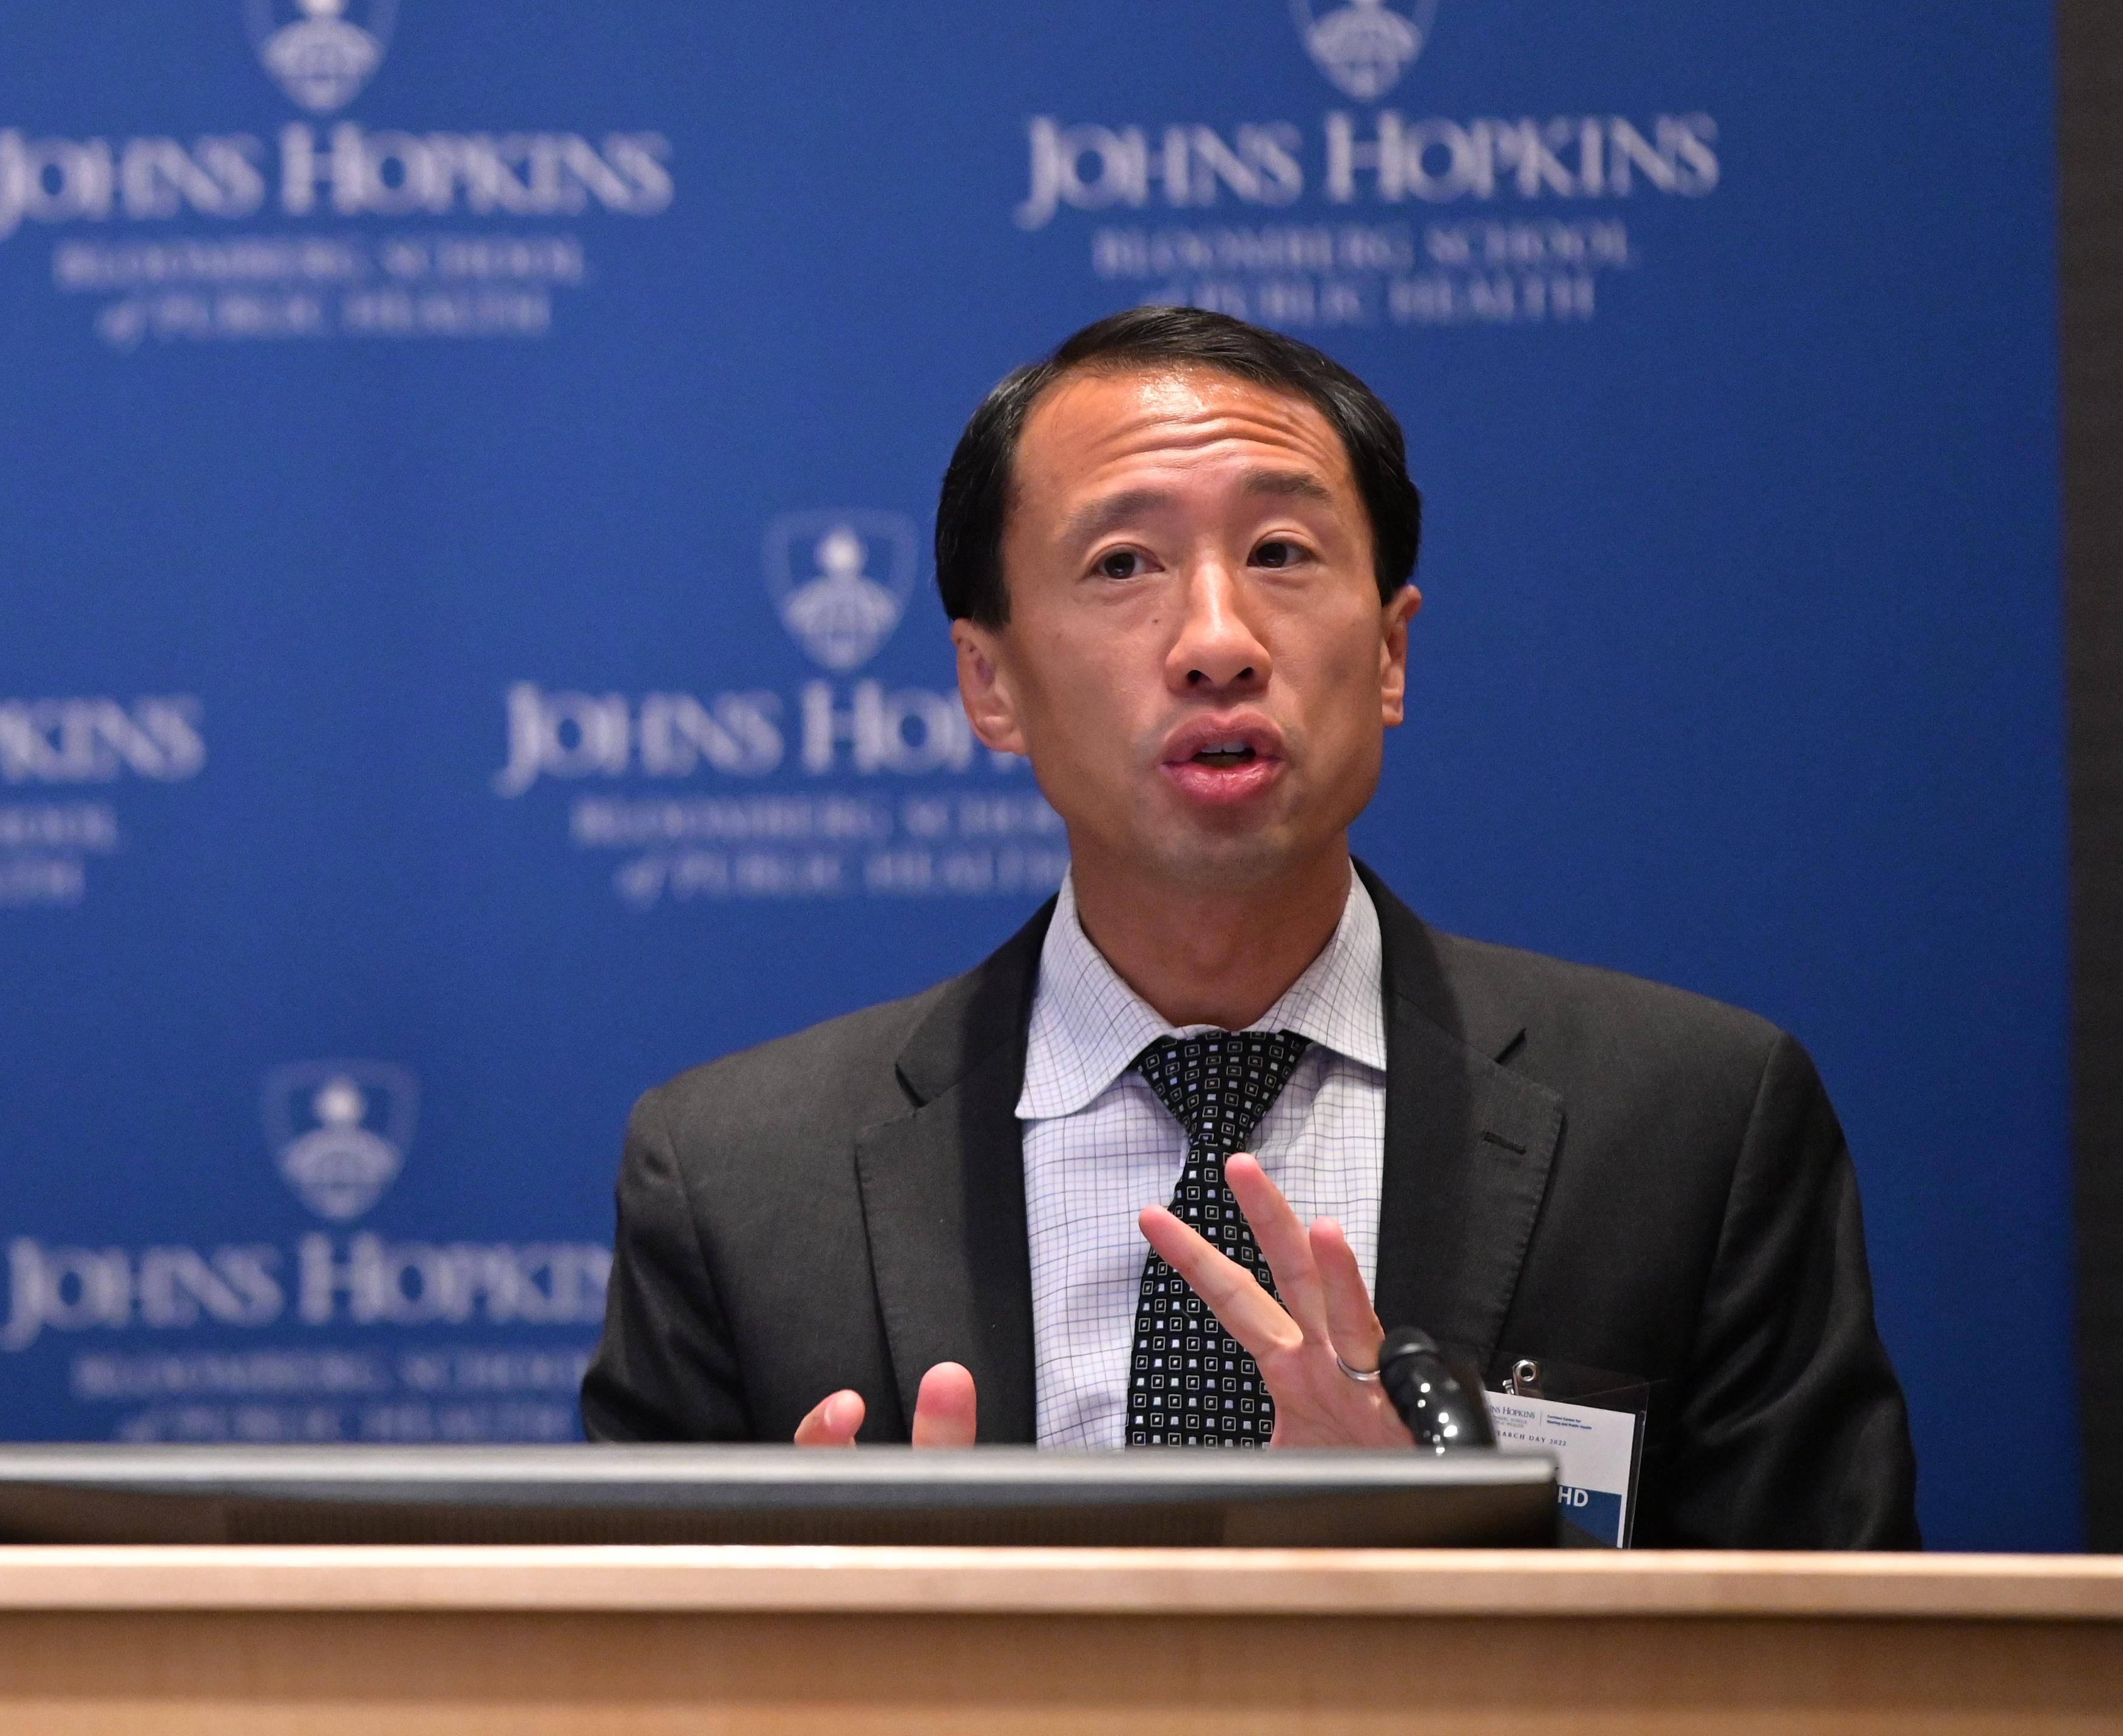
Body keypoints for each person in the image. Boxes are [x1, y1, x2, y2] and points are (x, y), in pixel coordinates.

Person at [580, 306, 1918, 1547]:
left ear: (1391, 651)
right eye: (1123, 562)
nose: (1216, 638)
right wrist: (828, 1662)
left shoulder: (1691, 1127)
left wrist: (1457, 1582)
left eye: (1281, 552)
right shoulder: (739, 1185)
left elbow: (1839, 1670)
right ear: (989, 681)